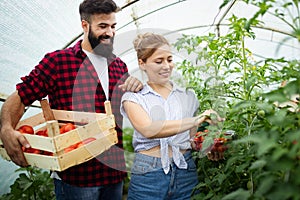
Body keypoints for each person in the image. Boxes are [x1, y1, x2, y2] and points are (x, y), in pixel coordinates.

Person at [0, 0, 143, 199]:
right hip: (77, 178)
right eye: (102, 26)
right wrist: (6, 128)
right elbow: (21, 96)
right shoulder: (58, 62)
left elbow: (124, 111)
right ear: (85, 25)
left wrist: (135, 90)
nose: (109, 33)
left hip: (113, 172)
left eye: (113, 26)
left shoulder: (118, 65)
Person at [120, 32, 224, 200]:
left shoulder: (188, 96)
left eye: (169, 59)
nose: (166, 66)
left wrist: (209, 145)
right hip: (148, 175)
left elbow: (192, 139)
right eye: (158, 61)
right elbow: (148, 129)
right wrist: (196, 120)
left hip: (185, 172)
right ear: (142, 63)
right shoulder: (133, 97)